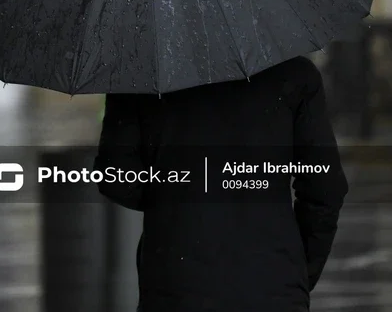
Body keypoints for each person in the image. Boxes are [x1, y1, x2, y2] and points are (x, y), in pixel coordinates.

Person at [93, 56, 348, 312]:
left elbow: (115, 178)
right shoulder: (293, 72)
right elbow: (325, 187)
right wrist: (301, 269)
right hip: (273, 283)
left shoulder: (139, 72)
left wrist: (172, 199)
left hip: (176, 284)